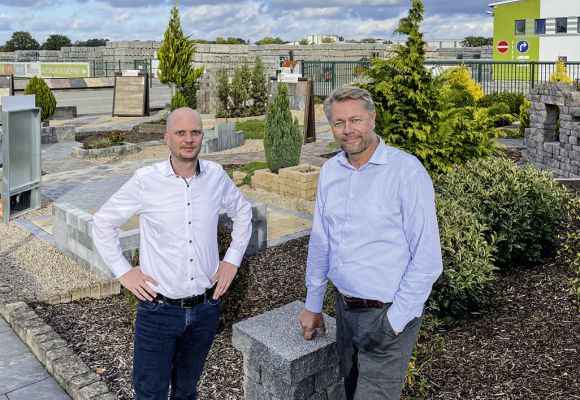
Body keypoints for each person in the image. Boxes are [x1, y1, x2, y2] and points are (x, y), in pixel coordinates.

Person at [92, 107, 252, 400]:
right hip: (158, 311)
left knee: (186, 391)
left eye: (195, 132)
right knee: (150, 393)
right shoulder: (145, 180)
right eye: (181, 133)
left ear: (202, 136)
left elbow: (243, 212)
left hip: (205, 308)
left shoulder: (215, 175)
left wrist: (232, 260)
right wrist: (124, 271)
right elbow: (103, 223)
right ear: (167, 138)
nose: (188, 139)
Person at [300, 86, 443, 400]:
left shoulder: (406, 172)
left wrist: (395, 321)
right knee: (348, 392)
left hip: (387, 317)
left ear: (373, 119)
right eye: (339, 123)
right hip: (345, 313)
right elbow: (321, 241)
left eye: (356, 120)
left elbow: (428, 259)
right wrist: (313, 304)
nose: (348, 130)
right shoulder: (329, 172)